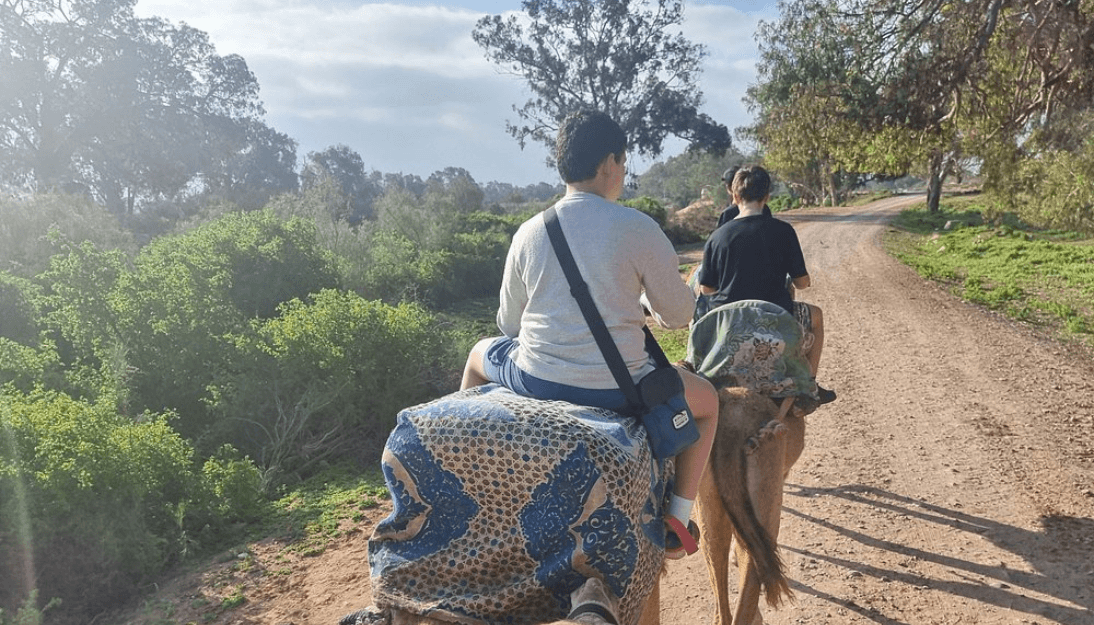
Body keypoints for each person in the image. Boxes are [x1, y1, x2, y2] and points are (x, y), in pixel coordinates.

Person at [461, 110, 718, 559]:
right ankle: (677, 516)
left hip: (535, 381)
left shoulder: (528, 233)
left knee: (479, 352)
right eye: (623, 163)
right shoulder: (638, 227)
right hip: (620, 392)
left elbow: (509, 326)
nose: (623, 172)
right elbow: (678, 316)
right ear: (608, 164)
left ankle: (465, 471)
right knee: (710, 403)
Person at [698, 165, 837, 404]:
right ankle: (809, 386)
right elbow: (801, 284)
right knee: (817, 317)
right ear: (767, 196)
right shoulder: (783, 231)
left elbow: (706, 289)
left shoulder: (717, 237)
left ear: (735, 196)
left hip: (730, 321)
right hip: (775, 316)